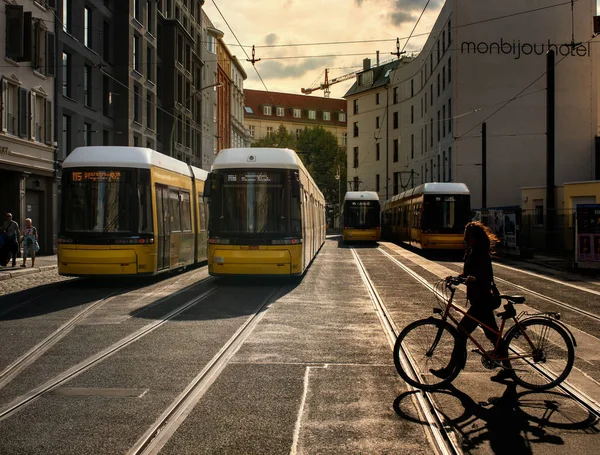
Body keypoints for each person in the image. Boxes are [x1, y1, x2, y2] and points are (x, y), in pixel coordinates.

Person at [431, 221, 507, 380]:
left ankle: (450, 369)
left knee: (460, 333)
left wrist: (473, 279)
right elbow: (469, 273)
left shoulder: (480, 253)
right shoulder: (474, 251)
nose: (466, 238)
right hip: (479, 301)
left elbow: (485, 277)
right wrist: (457, 278)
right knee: (493, 336)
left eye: (468, 235)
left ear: (475, 237)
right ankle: (508, 369)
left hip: (481, 301)